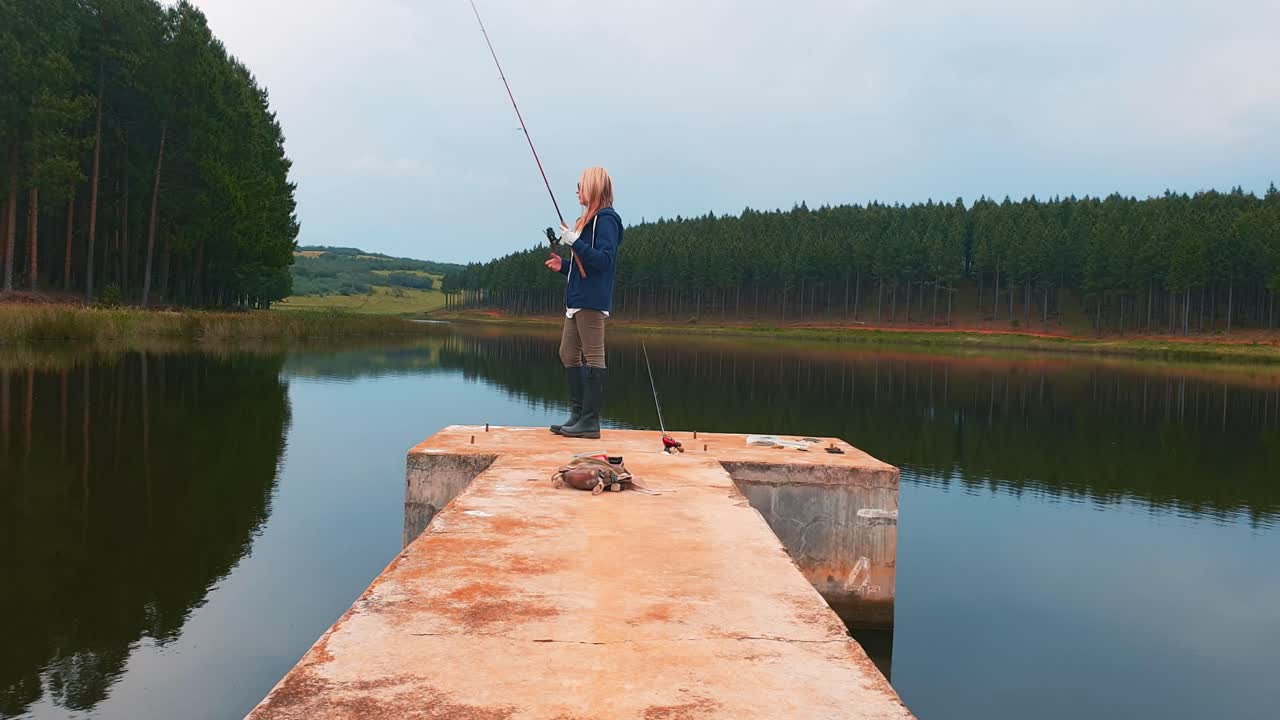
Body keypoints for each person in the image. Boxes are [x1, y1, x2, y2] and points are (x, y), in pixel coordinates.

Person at [544, 167, 623, 440]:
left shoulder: (606, 220)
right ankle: (578, 415)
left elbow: (604, 261)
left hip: (591, 300)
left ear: (593, 187)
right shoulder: (588, 220)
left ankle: (590, 422)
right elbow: (583, 266)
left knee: (594, 357)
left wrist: (576, 242)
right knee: (568, 354)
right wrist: (563, 265)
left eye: (580, 186)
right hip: (576, 300)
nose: (577, 191)